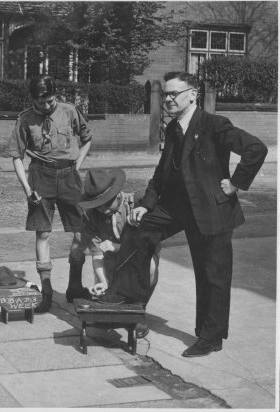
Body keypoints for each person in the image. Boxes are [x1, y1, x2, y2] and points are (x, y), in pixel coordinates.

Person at [97, 72, 268, 357]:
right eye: (165, 94)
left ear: (193, 95)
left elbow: (256, 149)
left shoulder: (214, 125)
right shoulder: (174, 128)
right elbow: (161, 175)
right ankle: (127, 296)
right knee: (139, 227)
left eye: (173, 94)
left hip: (211, 209)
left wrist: (236, 183)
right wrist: (145, 205)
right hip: (177, 206)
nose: (167, 99)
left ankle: (210, 337)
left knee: (212, 274)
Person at [9, 74, 93, 313]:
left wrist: (77, 166)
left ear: (56, 95)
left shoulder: (69, 111)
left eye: (49, 101)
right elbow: (16, 156)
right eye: (40, 103)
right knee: (43, 233)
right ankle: (46, 292)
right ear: (32, 100)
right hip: (40, 177)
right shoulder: (25, 119)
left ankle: (74, 286)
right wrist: (27, 189)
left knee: (80, 232)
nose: (46, 107)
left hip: (69, 177)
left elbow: (87, 139)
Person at [76, 168, 160, 339]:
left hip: (139, 259)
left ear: (118, 193)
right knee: (106, 300)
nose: (103, 210)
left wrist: (117, 247)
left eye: (107, 203)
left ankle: (138, 311)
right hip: (111, 262)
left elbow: (149, 244)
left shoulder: (136, 204)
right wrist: (104, 282)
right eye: (97, 206)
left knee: (151, 267)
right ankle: (114, 305)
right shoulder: (91, 216)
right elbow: (96, 253)